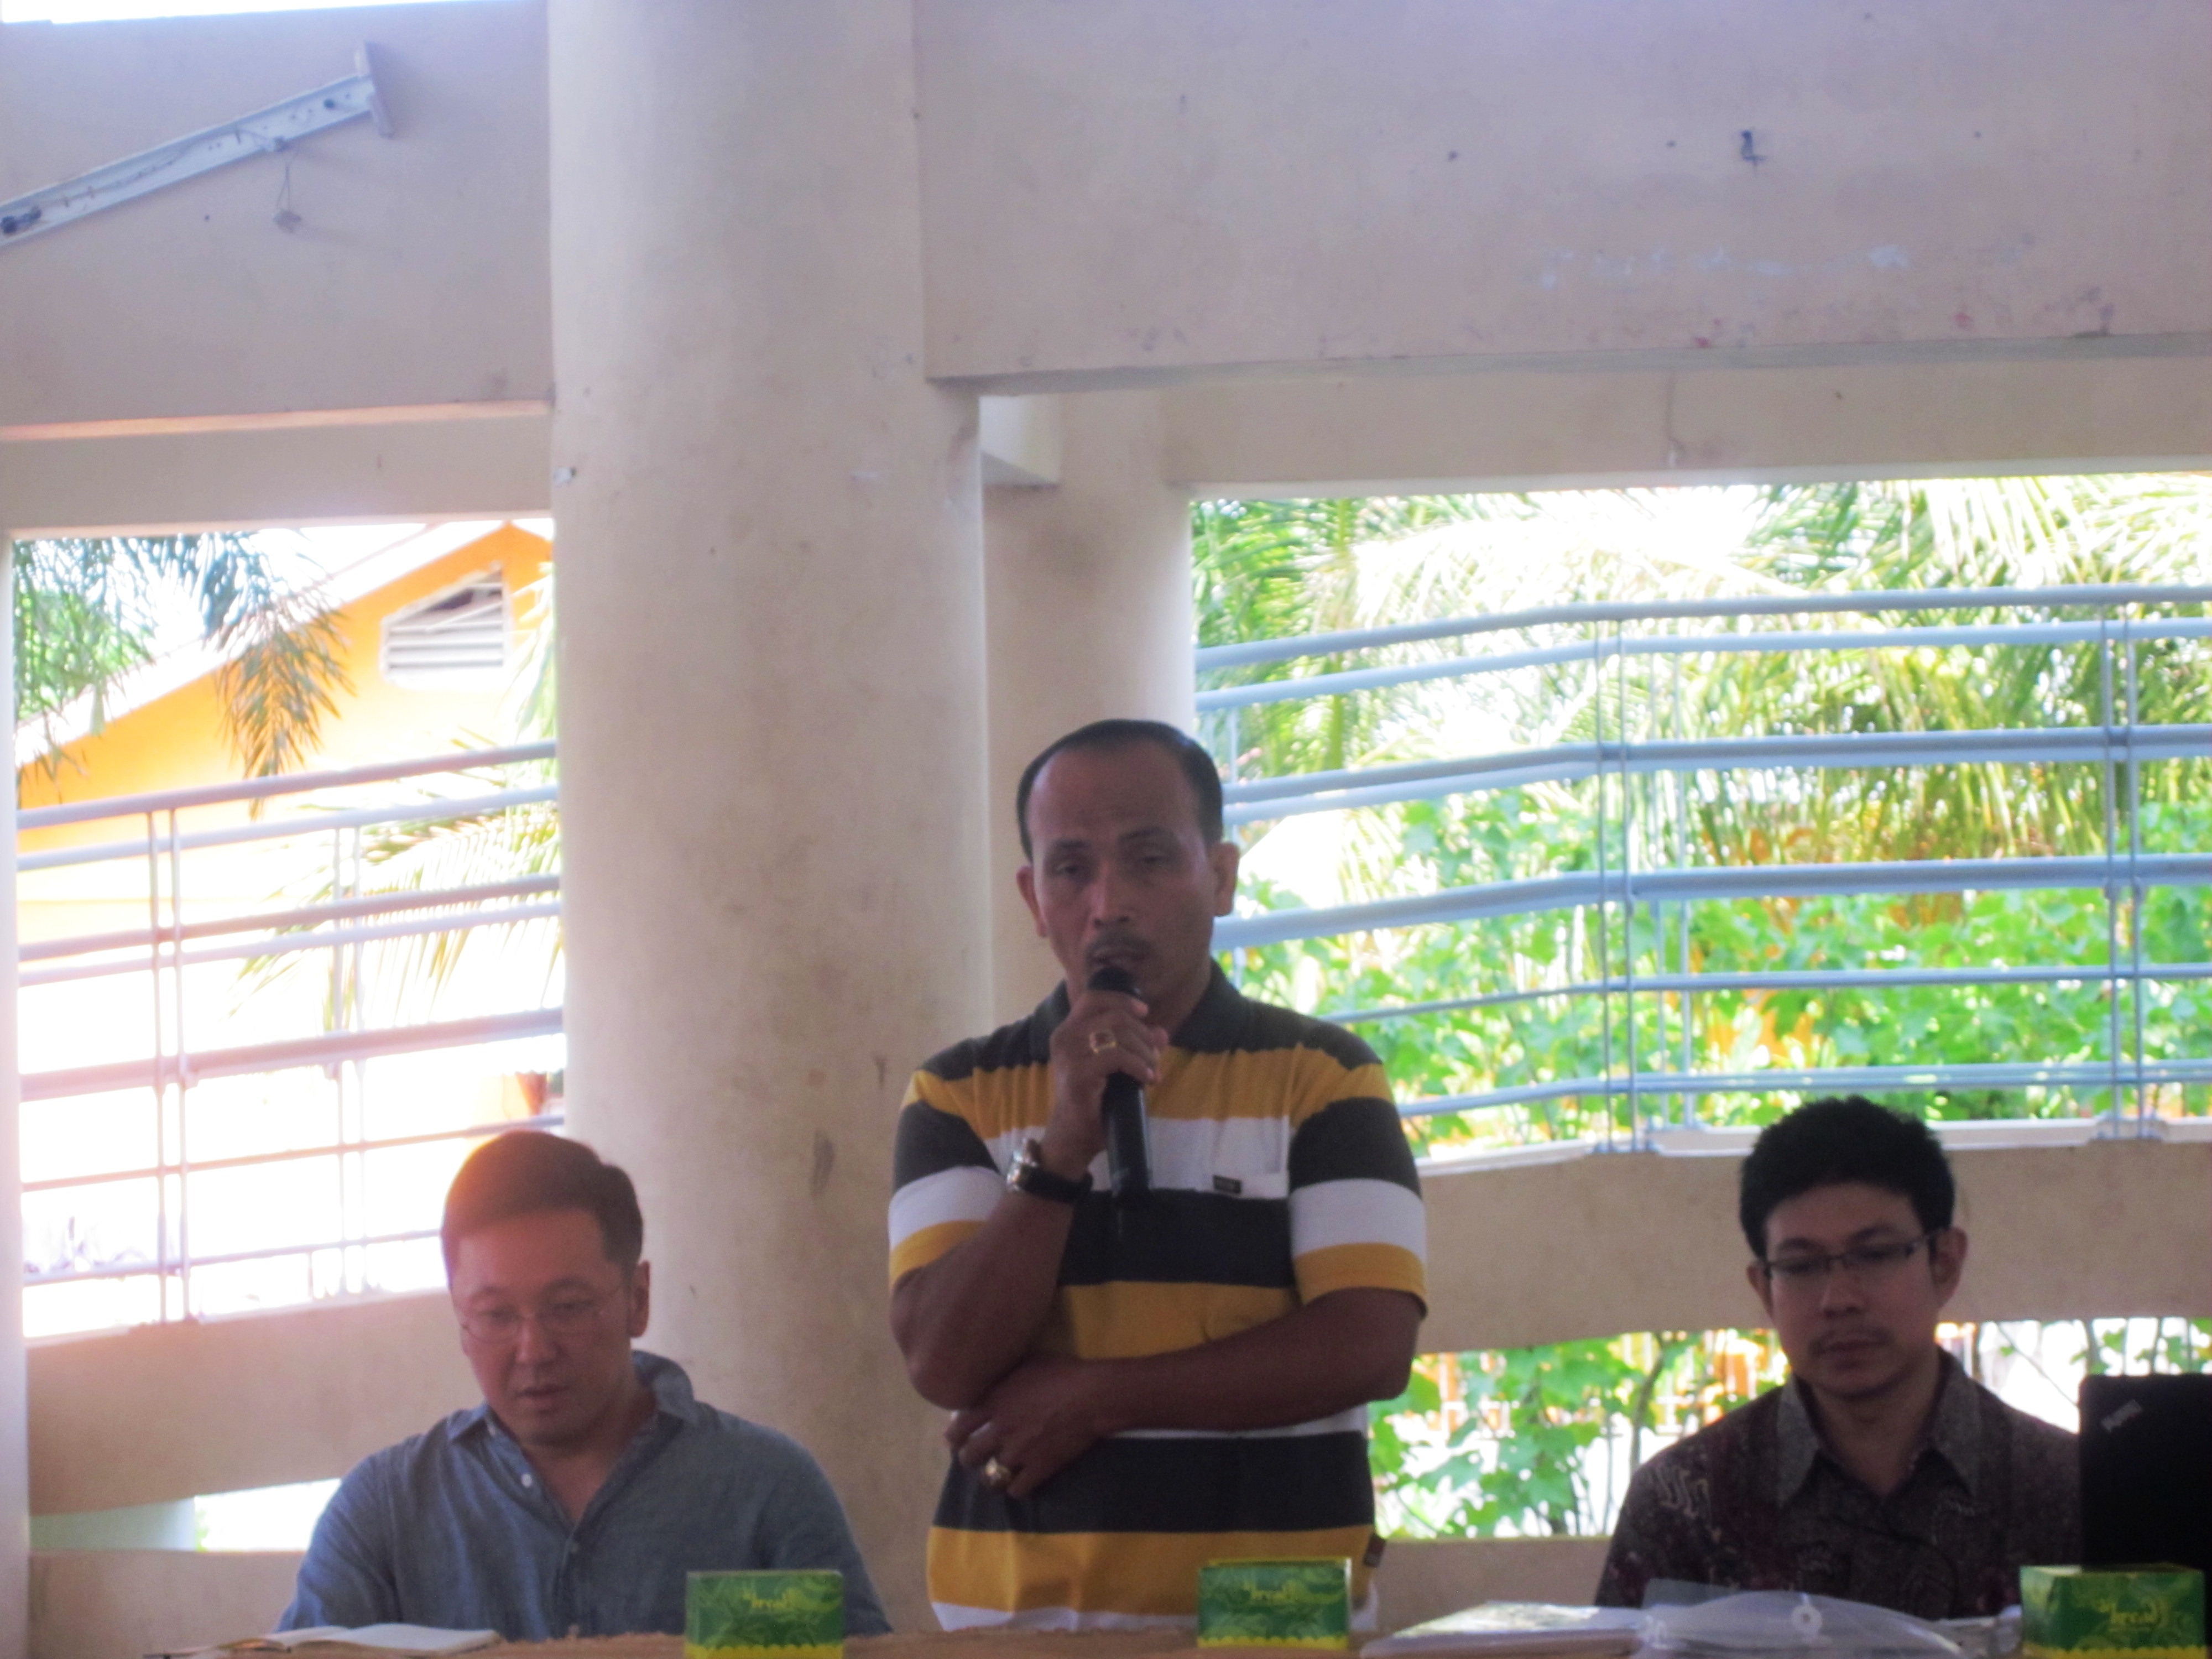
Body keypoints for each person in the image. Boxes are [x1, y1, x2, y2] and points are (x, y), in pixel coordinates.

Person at [888, 718, 1428, 1631]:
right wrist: (1060, 1152)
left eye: (1148, 859)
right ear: (1032, 897)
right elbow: (943, 1360)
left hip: (1269, 1628)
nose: (1109, 904)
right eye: (1071, 869)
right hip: (1019, 1632)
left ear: (1220, 875)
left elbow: (1370, 1345)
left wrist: (1097, 1400)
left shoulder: (1325, 1078)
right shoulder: (957, 1093)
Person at [283, 1130, 889, 1639]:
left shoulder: (761, 1493)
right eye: (496, 1316)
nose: (533, 1350)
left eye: (568, 1307)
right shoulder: (386, 1516)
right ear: (461, 1320)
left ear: (638, 1298)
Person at [1596, 1097, 2078, 1618]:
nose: (1839, 1299)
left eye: (1875, 1255)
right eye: (1802, 1266)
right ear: (1764, 1289)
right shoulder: (1684, 1500)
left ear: (1944, 1263)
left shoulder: (2067, 1490)